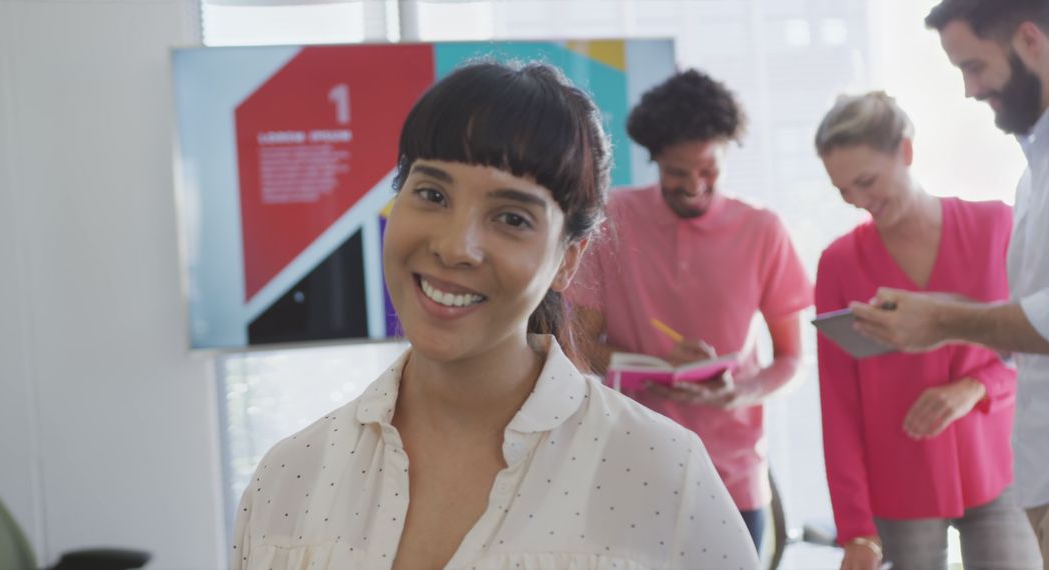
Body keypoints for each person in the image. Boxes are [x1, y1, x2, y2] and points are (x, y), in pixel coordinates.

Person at [229, 61, 758, 570]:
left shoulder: (661, 474)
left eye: (511, 218)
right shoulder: (289, 477)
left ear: (567, 260)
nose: (457, 247)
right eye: (432, 194)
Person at [568, 68, 812, 553]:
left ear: (725, 153)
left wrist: (741, 390)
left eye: (709, 170)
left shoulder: (763, 230)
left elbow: (791, 360)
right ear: (654, 158)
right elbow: (579, 345)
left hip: (734, 475)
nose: (694, 185)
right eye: (677, 172)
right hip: (632, 463)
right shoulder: (612, 219)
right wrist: (652, 366)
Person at [848, 0, 1049, 560]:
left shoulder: (998, 210)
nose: (968, 90)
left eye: (975, 66)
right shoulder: (1033, 171)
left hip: (1009, 480)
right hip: (1034, 474)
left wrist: (940, 321)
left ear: (1030, 41)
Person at [814, 91, 1041, 570]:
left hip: (999, 466)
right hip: (897, 483)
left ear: (906, 152)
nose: (859, 201)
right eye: (844, 191)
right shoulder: (837, 264)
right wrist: (855, 529)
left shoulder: (996, 225)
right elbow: (837, 403)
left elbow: (1034, 344)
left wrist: (975, 387)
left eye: (867, 181)